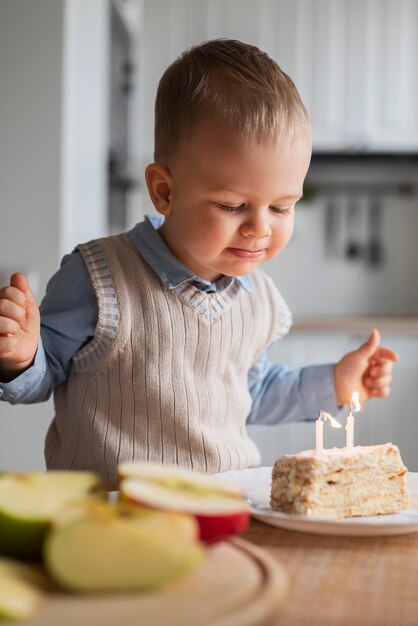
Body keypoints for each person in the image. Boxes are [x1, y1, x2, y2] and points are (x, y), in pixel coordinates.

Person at [0, 39, 397, 489]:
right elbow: (43, 374)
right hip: (108, 518)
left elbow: (255, 392)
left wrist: (336, 382)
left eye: (281, 208)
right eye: (232, 206)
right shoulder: (99, 277)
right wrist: (20, 356)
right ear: (165, 191)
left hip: (223, 510)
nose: (259, 228)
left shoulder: (260, 299)